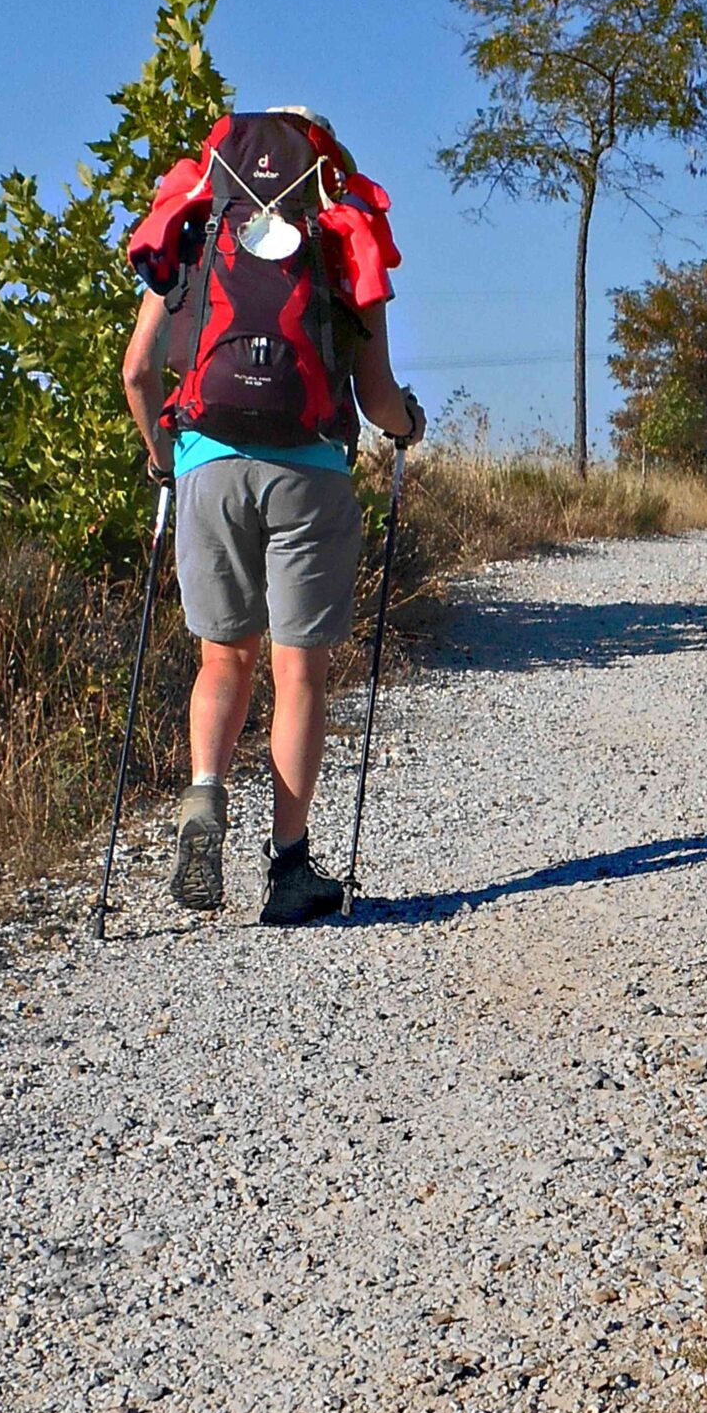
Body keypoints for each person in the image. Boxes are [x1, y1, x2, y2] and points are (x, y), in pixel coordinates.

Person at [120, 106, 422, 924]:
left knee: (224, 659)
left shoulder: (197, 225)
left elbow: (139, 372)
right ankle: (289, 870)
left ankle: (205, 796)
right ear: (323, 159)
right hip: (309, 470)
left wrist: (164, 456)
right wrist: (408, 426)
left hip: (207, 464)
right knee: (299, 673)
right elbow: (376, 395)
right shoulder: (342, 230)